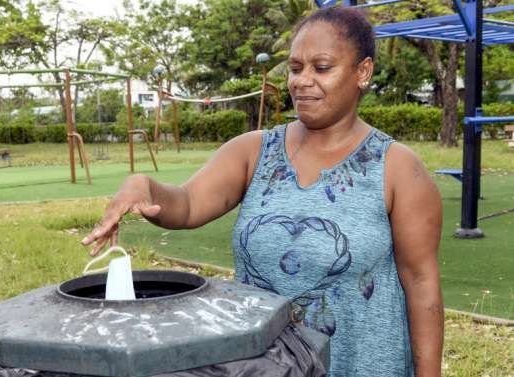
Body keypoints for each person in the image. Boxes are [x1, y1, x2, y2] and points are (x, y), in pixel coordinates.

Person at [82, 7, 443, 377]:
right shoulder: (254, 152)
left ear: (362, 72)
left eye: (321, 68)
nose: (302, 81)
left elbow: (421, 283)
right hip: (264, 366)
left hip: (361, 365)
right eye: (295, 67)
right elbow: (187, 205)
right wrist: (144, 186)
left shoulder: (397, 168)